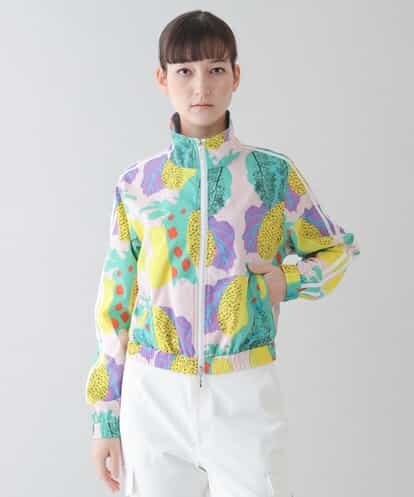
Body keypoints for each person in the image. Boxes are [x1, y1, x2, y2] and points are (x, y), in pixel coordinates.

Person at [84, 9, 360, 497]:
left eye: (215, 69)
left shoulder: (271, 175)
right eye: (184, 71)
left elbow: (337, 250)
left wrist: (287, 282)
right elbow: (115, 303)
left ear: (236, 76)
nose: (201, 87)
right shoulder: (138, 185)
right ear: (162, 79)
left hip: (244, 389)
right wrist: (106, 417)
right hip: (152, 394)